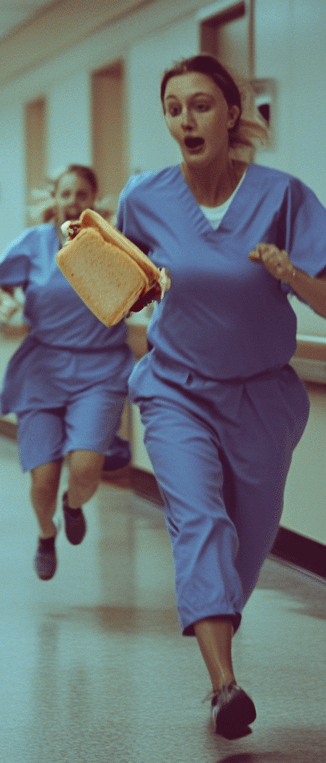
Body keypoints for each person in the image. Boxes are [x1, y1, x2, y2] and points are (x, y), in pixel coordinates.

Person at [117, 54, 326, 739]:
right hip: (177, 390)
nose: (186, 118)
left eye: (201, 103)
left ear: (233, 113)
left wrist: (289, 272)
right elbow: (116, 294)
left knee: (250, 540)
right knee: (199, 521)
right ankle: (224, 685)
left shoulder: (284, 196)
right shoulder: (144, 199)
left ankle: (215, 619)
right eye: (174, 106)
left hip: (264, 398)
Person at [0, 165, 134, 581]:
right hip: (43, 368)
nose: (73, 201)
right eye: (66, 193)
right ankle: (45, 532)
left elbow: (139, 289)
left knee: (86, 466)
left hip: (101, 367)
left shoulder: (111, 245)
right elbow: (3, 282)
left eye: (82, 194)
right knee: (43, 476)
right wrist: (6, 303)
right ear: (54, 199)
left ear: (93, 200)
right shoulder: (32, 244)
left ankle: (73, 506)